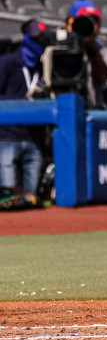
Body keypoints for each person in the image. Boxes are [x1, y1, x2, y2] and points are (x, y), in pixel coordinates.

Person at [0, 19, 47, 204]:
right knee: (9, 199)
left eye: (41, 41)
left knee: (31, 199)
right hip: (7, 138)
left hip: (33, 139)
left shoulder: (45, 66)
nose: (38, 45)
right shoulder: (8, 62)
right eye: (35, 39)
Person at [65, 0, 107, 109]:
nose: (93, 25)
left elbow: (105, 79)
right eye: (86, 20)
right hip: (66, 108)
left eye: (95, 20)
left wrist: (92, 50)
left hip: (93, 110)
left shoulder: (103, 52)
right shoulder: (61, 47)